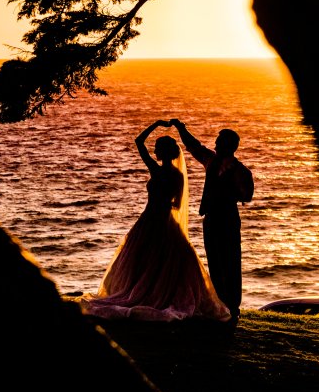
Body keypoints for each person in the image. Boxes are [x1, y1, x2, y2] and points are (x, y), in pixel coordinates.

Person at [80, 121, 230, 323]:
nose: (155, 151)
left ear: (163, 152)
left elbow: (139, 142)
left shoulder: (157, 170)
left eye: (157, 148)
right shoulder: (176, 176)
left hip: (150, 218)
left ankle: (147, 295)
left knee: (143, 260)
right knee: (163, 261)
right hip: (164, 219)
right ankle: (157, 294)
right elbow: (177, 203)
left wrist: (156, 124)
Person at [169, 119, 254, 322]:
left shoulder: (242, 171)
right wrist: (181, 128)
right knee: (215, 261)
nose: (215, 145)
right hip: (211, 218)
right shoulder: (210, 160)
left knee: (231, 261)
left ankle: (233, 305)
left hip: (229, 219)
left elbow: (247, 195)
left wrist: (230, 190)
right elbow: (194, 147)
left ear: (229, 145)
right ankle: (219, 303)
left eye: (219, 142)